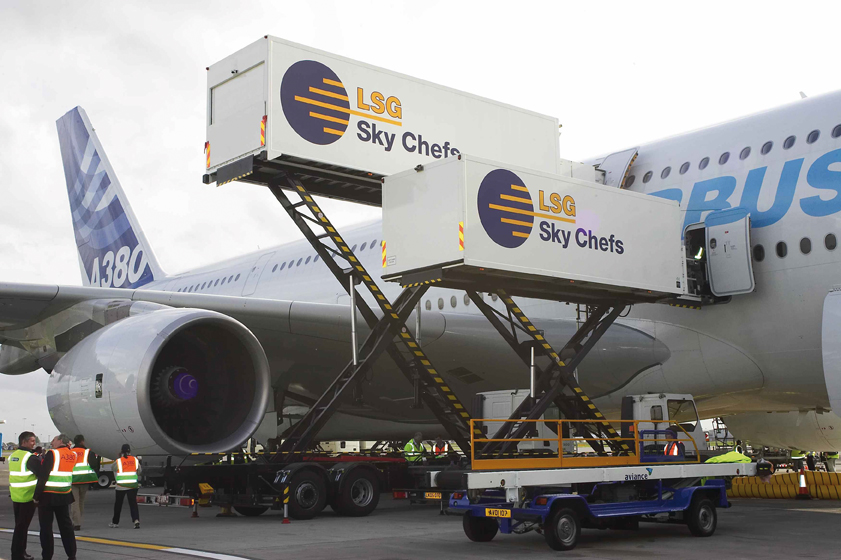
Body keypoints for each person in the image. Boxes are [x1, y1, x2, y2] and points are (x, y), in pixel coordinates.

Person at [35, 434, 76, 560]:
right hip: (64, 493)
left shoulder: (53, 453)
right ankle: (71, 554)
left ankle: (47, 556)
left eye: (54, 440)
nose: (52, 443)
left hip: (48, 494)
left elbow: (44, 475)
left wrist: (36, 495)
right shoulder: (72, 455)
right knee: (66, 526)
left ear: (60, 441)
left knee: (46, 528)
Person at [9, 431, 41, 560]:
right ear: (24, 441)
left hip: (16, 496)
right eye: (32, 441)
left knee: (20, 526)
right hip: (28, 496)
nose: (34, 443)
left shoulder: (13, 455)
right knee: (22, 528)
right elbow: (42, 473)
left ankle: (21, 551)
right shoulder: (30, 457)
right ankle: (18, 554)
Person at [70, 435, 99, 530]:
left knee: (74, 502)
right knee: (81, 501)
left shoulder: (71, 452)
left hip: (73, 479)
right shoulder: (88, 452)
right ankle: (78, 520)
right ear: (82, 441)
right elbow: (94, 464)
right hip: (85, 479)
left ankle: (76, 523)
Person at [110, 444, 141, 528]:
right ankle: (136, 520)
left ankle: (115, 522)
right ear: (130, 451)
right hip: (132, 485)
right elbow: (139, 471)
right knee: (133, 504)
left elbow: (113, 468)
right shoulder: (135, 460)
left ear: (121, 452)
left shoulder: (119, 461)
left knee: (118, 504)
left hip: (121, 486)